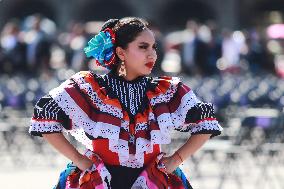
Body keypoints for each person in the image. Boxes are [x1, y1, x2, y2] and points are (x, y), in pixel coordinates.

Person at [29, 17, 222, 189]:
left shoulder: (166, 90)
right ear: (121, 53)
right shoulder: (90, 88)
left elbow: (206, 123)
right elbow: (46, 117)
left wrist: (175, 160)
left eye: (154, 47)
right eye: (143, 47)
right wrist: (79, 159)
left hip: (155, 180)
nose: (152, 55)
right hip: (99, 180)